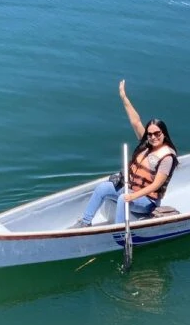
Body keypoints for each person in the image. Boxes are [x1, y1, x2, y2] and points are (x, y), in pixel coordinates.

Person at [71, 81, 179, 228]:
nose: (153, 137)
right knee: (102, 188)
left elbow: (156, 185)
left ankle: (119, 229)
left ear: (163, 134)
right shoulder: (146, 144)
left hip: (148, 201)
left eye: (157, 133)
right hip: (131, 190)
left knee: (123, 198)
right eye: (150, 134)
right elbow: (136, 121)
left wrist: (132, 196)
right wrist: (123, 96)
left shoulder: (167, 157)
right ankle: (85, 222)